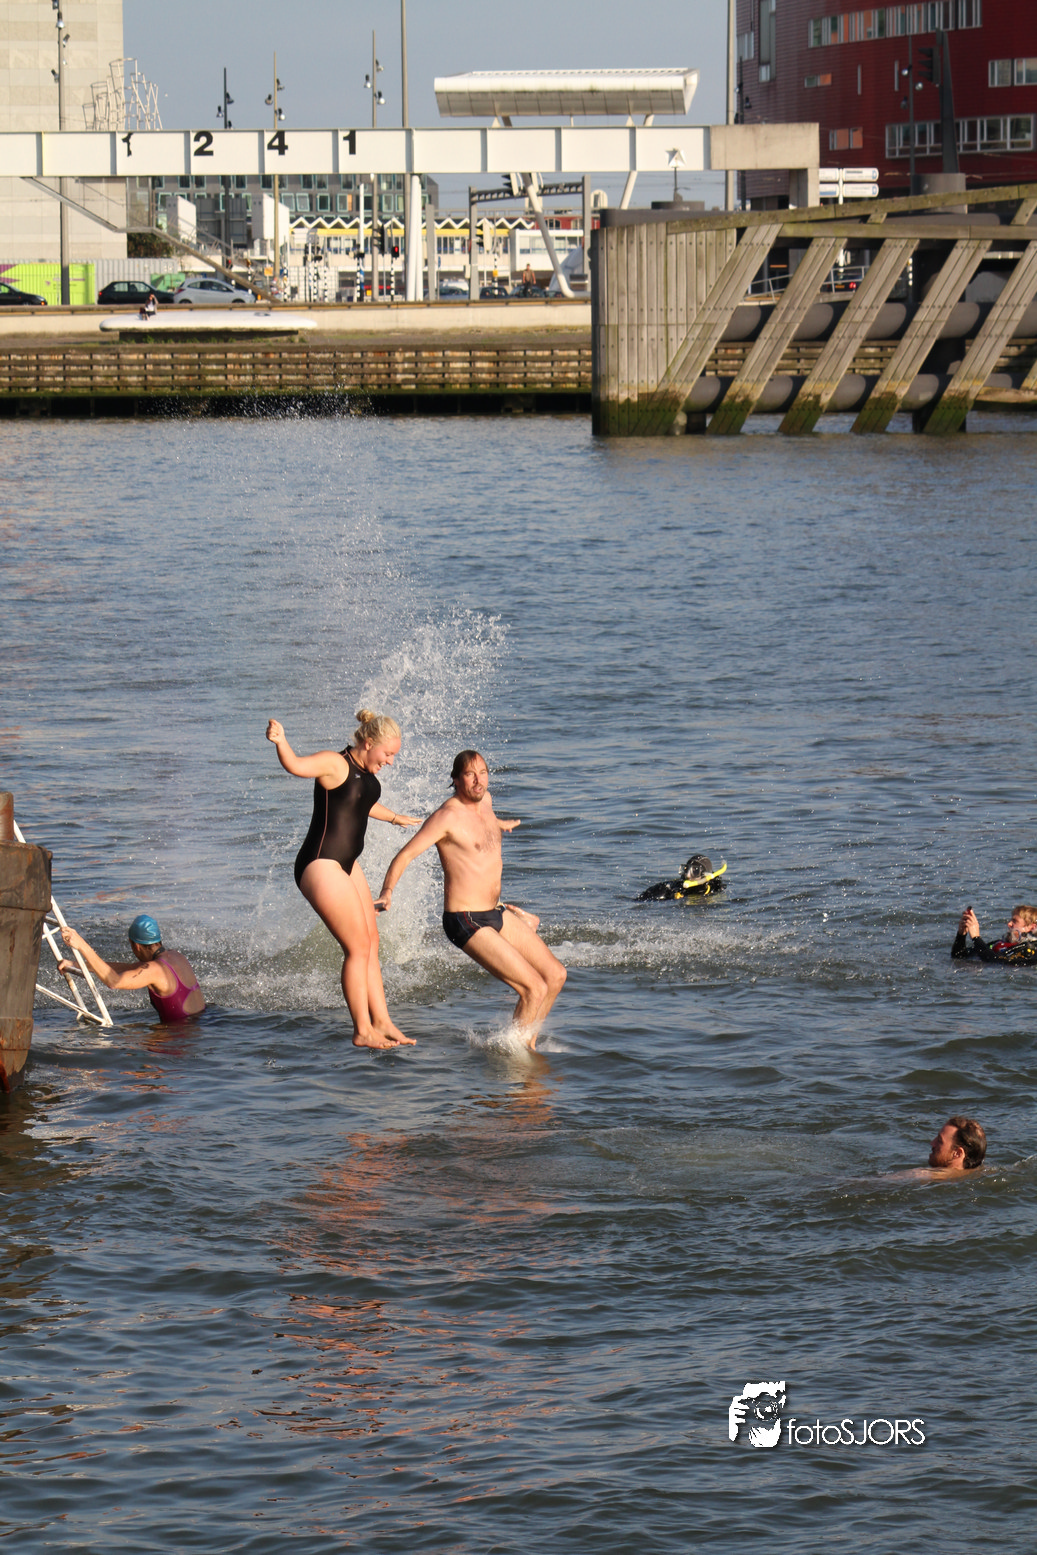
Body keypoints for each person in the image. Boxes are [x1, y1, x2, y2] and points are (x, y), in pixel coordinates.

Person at [375, 749, 566, 1049]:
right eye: (470, 775)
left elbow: (480, 827)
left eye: (483, 773)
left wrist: (500, 824)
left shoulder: (485, 802)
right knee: (533, 988)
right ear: (455, 779)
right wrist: (387, 892)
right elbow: (405, 855)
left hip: (494, 911)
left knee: (555, 975)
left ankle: (525, 1045)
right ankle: (514, 1059)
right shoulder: (446, 817)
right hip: (464, 919)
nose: (479, 781)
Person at [267, 710, 419, 1049]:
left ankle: (382, 1021)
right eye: (388, 754)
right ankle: (362, 1029)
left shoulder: (365, 772)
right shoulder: (335, 764)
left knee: (372, 942)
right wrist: (281, 742)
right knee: (357, 947)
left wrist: (394, 817)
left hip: (347, 864)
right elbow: (295, 765)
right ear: (369, 743)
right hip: (320, 863)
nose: (390, 761)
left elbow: (361, 801)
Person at [58, 914, 205, 1021]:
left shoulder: (154, 970)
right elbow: (126, 968)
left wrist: (82, 945)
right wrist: (75, 964)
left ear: (136, 945)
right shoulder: (176, 957)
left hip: (178, 1038)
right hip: (201, 1025)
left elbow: (114, 981)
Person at [952, 903, 1037, 964]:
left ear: (1031, 927)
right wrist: (961, 935)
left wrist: (976, 938)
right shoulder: (999, 943)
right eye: (1011, 920)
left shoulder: (1031, 951)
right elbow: (958, 956)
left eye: (1014, 921)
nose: (1009, 924)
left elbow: (996, 962)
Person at [637, 852, 727, 902]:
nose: (687, 875)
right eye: (686, 869)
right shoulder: (676, 887)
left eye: (694, 871)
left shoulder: (715, 891)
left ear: (706, 875)